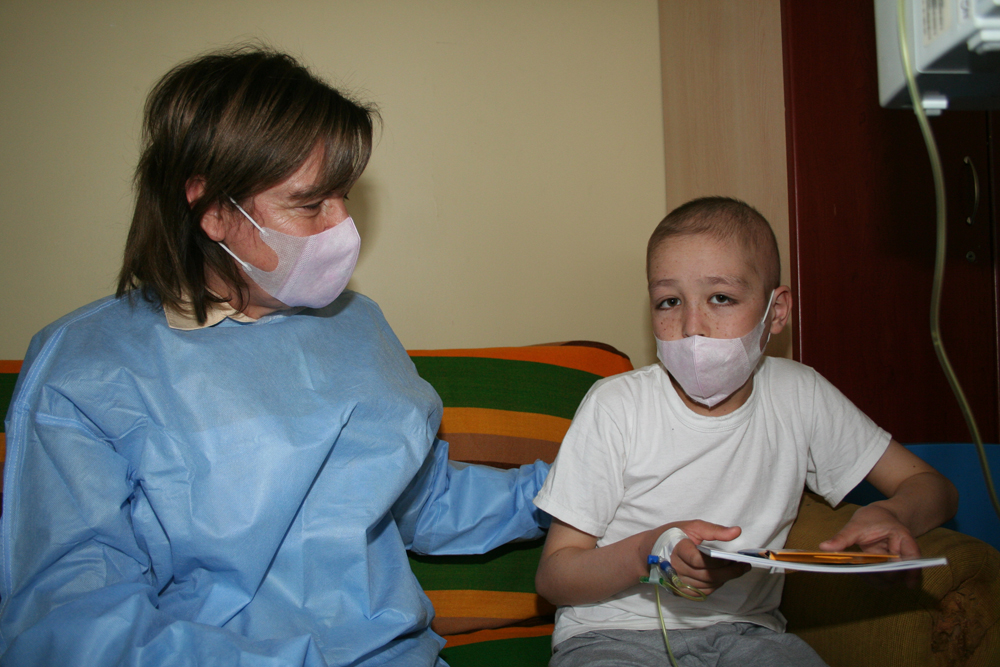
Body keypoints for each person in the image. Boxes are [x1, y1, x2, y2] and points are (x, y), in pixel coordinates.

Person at [0, 47, 550, 667]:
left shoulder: (358, 323)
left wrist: (582, 489)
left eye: (343, 197)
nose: (343, 228)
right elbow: (71, 620)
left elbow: (426, 500)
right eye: (311, 204)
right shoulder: (86, 366)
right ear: (212, 210)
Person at [532, 197, 958, 667]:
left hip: (749, 636)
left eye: (721, 298)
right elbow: (554, 577)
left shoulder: (800, 394)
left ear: (776, 312)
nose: (692, 327)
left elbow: (932, 487)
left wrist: (894, 514)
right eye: (669, 301)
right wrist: (644, 553)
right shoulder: (616, 405)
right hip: (610, 635)